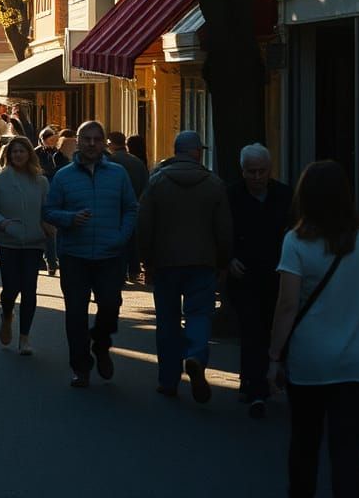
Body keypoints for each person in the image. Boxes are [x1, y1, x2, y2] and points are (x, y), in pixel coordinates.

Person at [267, 160, 359, 498]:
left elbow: (287, 305)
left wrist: (275, 356)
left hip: (310, 360)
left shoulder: (295, 241)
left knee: (304, 443)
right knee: (347, 452)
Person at [137, 130, 232, 402]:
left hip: (165, 263)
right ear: (197, 153)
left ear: (175, 151)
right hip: (203, 262)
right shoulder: (214, 184)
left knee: (167, 320)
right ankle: (196, 356)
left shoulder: (157, 182)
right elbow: (224, 229)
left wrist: (146, 260)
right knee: (199, 314)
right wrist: (223, 261)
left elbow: (144, 224)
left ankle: (168, 380)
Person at [43, 120, 137, 388]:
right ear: (78, 142)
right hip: (75, 255)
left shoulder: (118, 174)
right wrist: (69, 219)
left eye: (97, 139)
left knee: (110, 305)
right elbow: (48, 211)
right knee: (75, 314)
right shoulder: (64, 176)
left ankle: (101, 344)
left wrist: (121, 237)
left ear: (104, 142)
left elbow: (131, 208)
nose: (92, 144)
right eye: (87, 139)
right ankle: (80, 367)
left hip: (110, 254)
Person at [226, 143, 292, 418]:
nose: (256, 177)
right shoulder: (231, 195)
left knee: (269, 327)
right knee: (251, 329)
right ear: (242, 171)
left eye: (261, 171)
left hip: (277, 274)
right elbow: (221, 231)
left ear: (270, 169)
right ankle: (256, 388)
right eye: (251, 171)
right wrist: (228, 258)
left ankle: (260, 378)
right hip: (245, 275)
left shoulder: (284, 195)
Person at [0, 137, 51, 355]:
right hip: (8, 242)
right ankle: (7, 315)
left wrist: (49, 228)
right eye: (14, 152)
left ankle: (24, 338)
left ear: (29, 154)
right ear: (9, 156)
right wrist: (3, 223)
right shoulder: (0, 180)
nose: (18, 155)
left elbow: (48, 210)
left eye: (22, 151)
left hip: (33, 243)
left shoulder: (41, 181)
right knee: (11, 288)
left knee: (29, 289)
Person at [106, 131, 150, 281]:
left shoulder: (110, 162)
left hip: (114, 208)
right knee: (132, 239)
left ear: (111, 143)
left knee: (118, 240)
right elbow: (146, 186)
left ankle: (120, 272)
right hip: (135, 205)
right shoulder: (137, 162)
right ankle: (133, 270)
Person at [34, 126, 62, 275]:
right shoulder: (36, 153)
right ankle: (41, 260)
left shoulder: (59, 154)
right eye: (49, 140)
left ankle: (51, 261)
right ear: (43, 140)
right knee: (39, 229)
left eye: (54, 140)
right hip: (38, 194)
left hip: (53, 196)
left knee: (50, 230)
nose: (52, 143)